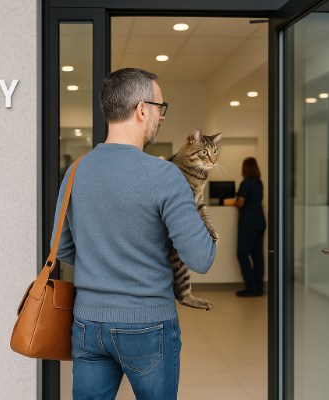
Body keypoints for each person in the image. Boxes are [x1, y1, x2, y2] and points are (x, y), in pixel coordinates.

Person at [50, 68, 217, 400]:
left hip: (88, 323)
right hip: (148, 324)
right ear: (142, 110)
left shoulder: (76, 170)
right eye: (160, 107)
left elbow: (64, 248)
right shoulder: (165, 175)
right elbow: (201, 258)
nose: (162, 117)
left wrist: (105, 259)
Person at [235, 157, 266, 297]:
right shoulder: (259, 183)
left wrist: (235, 201)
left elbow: (240, 203)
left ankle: (251, 287)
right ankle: (259, 287)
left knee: (242, 254)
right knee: (257, 255)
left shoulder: (246, 183)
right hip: (260, 222)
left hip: (249, 223)